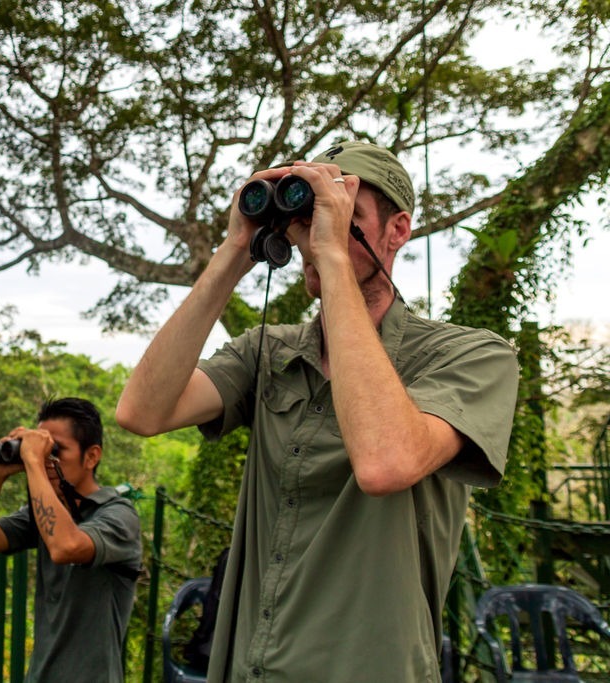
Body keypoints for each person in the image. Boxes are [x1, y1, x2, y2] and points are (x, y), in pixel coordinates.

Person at [116, 141, 519, 682]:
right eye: (307, 216)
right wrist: (236, 247)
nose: (313, 233)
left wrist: (332, 257)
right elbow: (142, 412)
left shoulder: (469, 355)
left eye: (344, 213)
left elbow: (384, 463)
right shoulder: (269, 351)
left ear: (397, 231)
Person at [0, 397, 142, 682]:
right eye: (43, 450)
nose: (46, 460)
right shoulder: (42, 515)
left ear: (92, 457)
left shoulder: (118, 515)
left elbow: (66, 546)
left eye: (55, 451)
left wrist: (33, 462)